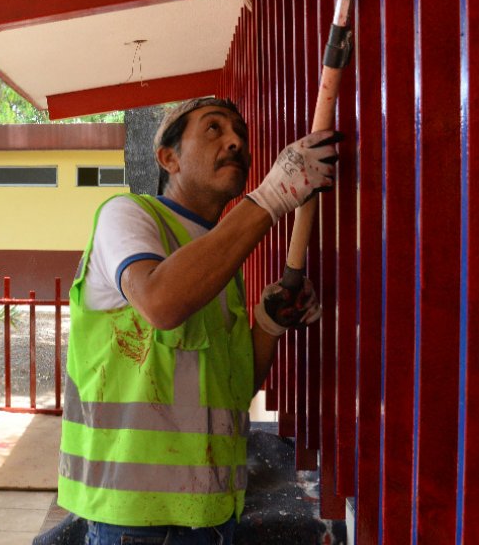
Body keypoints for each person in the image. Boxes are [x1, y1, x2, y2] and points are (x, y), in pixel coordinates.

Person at [58, 97, 338, 544]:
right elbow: (160, 303)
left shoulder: (218, 258)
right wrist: (269, 199)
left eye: (239, 134)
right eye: (213, 130)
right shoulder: (127, 216)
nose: (235, 142)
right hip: (135, 521)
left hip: (212, 514)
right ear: (168, 158)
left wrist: (268, 324)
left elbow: (232, 391)